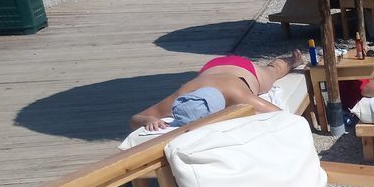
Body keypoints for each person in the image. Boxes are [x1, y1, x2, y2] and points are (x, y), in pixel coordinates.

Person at [130, 52, 305, 131]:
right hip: (212, 67)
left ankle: (292, 60)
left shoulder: (238, 95)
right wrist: (149, 120)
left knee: (272, 71)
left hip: (244, 70)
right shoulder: (182, 97)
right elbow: (135, 119)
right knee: (271, 72)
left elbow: (285, 118)